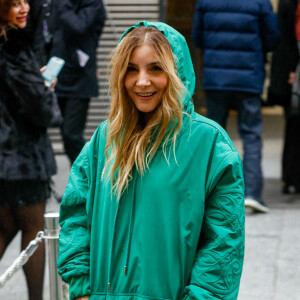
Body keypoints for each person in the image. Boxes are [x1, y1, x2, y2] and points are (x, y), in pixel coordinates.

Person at [57, 21, 245, 300]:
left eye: (156, 69)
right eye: (131, 69)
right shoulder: (105, 138)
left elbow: (223, 245)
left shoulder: (209, 144)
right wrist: (83, 289)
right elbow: (76, 215)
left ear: (176, 72)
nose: (142, 81)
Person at [192, 0, 280, 213]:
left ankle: (210, 193)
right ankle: (251, 193)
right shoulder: (260, 2)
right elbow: (272, 38)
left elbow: (197, 37)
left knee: (211, 136)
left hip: (216, 77)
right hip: (248, 78)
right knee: (251, 135)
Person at [0, 0, 58, 299]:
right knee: (35, 232)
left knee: (6, 227)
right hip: (22, 156)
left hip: (6, 155)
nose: (23, 8)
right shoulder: (13, 47)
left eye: (25, 1)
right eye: (13, 3)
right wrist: (45, 87)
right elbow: (42, 111)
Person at [48, 0, 106, 164]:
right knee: (66, 138)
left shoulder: (93, 4)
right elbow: (51, 30)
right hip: (59, 76)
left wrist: (61, 4)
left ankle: (92, 172)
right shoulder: (61, 5)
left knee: (71, 134)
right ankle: (82, 179)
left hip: (81, 80)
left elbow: (79, 26)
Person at [268, 0, 300, 194]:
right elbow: (283, 37)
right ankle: (292, 177)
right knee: (294, 125)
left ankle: (291, 178)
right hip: (294, 73)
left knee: (293, 126)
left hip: (293, 70)